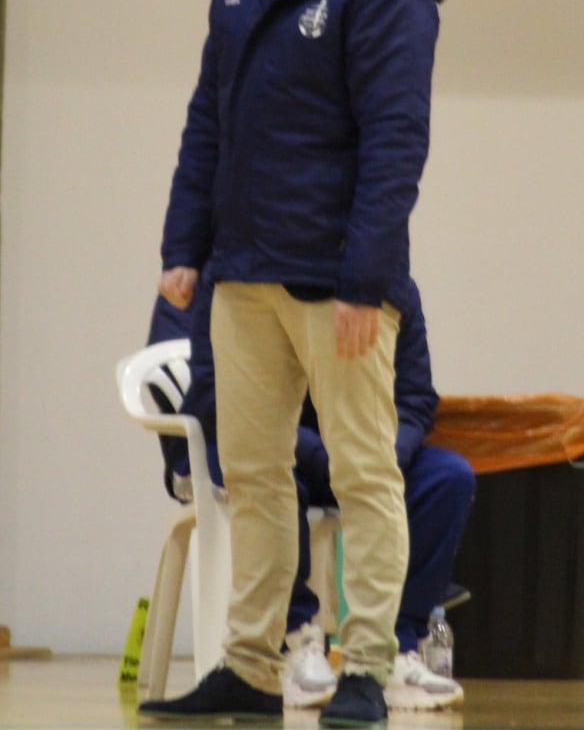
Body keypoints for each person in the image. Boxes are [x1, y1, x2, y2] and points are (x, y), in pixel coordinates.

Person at [139, 0, 460, 726]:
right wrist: (183, 244)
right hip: (242, 274)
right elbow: (209, 122)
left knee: (365, 474)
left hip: (339, 284)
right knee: (252, 473)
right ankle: (249, 663)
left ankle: (366, 667)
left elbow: (396, 146)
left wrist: (366, 280)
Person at [147, 273, 475, 711]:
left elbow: (415, 397)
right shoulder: (222, 276)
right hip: (249, 446)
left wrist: (385, 456)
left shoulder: (385, 285)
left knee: (447, 477)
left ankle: (396, 646)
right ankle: (294, 641)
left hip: (351, 446)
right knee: (275, 475)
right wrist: (328, 454)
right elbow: (210, 394)